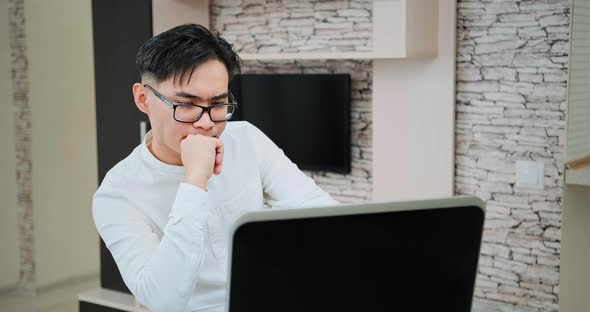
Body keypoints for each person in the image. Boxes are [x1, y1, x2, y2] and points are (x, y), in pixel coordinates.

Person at [92, 24, 337, 312]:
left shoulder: (246, 138)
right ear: (143, 99)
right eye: (186, 104)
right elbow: (162, 299)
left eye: (218, 104)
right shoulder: (116, 195)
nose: (207, 123)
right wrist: (195, 180)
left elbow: (322, 213)